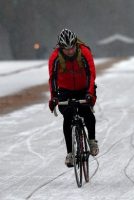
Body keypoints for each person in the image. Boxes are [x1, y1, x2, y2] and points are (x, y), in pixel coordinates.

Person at [48, 28, 99, 167]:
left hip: (84, 88)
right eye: (66, 49)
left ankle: (92, 140)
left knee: (87, 112)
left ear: (76, 45)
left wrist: (89, 94)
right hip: (65, 91)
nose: (70, 51)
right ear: (61, 48)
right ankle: (70, 153)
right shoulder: (55, 57)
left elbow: (91, 74)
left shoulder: (84, 52)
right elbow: (52, 79)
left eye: (72, 48)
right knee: (68, 116)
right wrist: (53, 98)